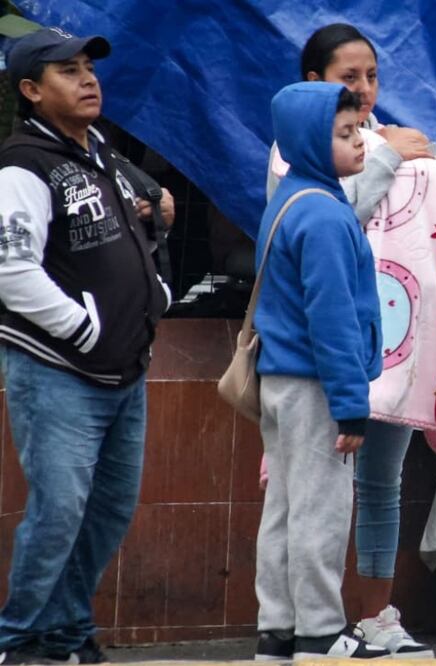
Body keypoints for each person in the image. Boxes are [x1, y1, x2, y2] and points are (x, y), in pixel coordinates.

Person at [260, 23, 436, 659]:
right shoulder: (299, 158)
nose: (363, 92)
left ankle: (359, 620)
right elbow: (338, 226)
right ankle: (316, 630)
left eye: (372, 76)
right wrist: (384, 155)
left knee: (376, 485)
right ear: (312, 84)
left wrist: (432, 157)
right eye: (346, 79)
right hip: (331, 365)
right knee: (315, 504)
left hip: (395, 347)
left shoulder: (383, 139)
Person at [0, 27, 172, 664]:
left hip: (125, 371)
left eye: (87, 68)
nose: (87, 79)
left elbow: (124, 222)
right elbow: (13, 272)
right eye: (67, 72)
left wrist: (152, 281)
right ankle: (19, 642)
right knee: (58, 513)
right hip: (59, 371)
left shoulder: (96, 151)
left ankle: (67, 635)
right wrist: (84, 328)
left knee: (106, 514)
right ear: (31, 91)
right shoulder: (23, 165)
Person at [252, 81, 385, 660]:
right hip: (316, 385)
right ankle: (321, 633)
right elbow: (332, 319)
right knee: (321, 511)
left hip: (280, 381)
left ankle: (277, 630)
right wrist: (351, 401)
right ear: (310, 139)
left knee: (282, 509)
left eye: (359, 130)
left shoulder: (286, 201)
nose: (360, 143)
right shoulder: (328, 216)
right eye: (344, 133)